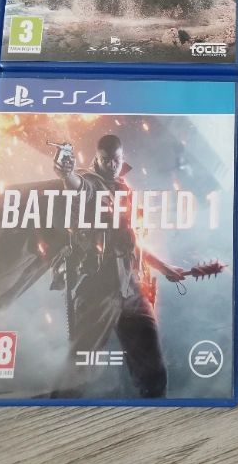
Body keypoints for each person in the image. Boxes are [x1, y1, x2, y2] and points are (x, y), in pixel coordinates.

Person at [48, 134, 186, 398]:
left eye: (116, 160)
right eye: (105, 160)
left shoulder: (124, 191)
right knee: (77, 368)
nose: (111, 165)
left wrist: (164, 268)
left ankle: (156, 406)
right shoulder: (91, 183)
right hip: (99, 288)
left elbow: (131, 245)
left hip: (130, 288)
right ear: (97, 158)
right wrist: (67, 174)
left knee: (153, 366)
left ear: (122, 158)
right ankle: (56, 409)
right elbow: (79, 187)